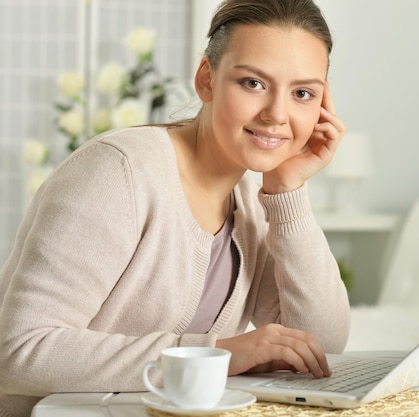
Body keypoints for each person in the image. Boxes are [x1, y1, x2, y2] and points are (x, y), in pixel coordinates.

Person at [0, 0, 351, 415]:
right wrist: (215, 352)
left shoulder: (254, 205)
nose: (277, 114)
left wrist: (287, 191)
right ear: (207, 79)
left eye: (302, 93)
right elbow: (19, 352)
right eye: (253, 83)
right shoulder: (118, 172)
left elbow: (321, 346)